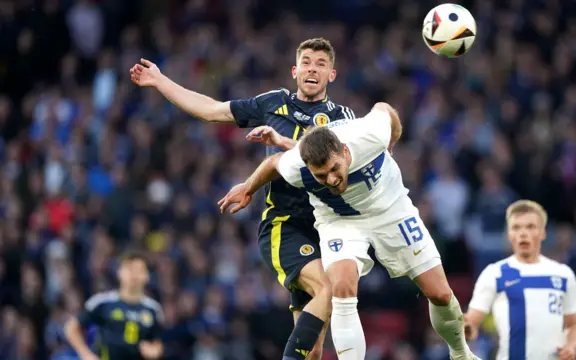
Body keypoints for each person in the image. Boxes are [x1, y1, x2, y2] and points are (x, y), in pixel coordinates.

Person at [130, 37, 357, 360]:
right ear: (295, 71)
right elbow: (211, 111)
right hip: (286, 227)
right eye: (306, 62)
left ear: (331, 75)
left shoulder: (343, 117)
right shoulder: (272, 103)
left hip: (326, 229)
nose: (312, 69)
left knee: (314, 352)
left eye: (321, 64)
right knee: (329, 288)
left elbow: (351, 165)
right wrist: (161, 81)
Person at [218, 103, 479, 360]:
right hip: (339, 221)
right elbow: (274, 163)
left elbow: (385, 109)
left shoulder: (369, 135)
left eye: (334, 169)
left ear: (344, 151)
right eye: (321, 175)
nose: (331, 179)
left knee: (440, 294)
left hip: (391, 211)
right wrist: (248, 187)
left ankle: (460, 353)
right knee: (341, 287)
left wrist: (391, 143)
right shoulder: (297, 166)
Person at [464, 200, 576, 360]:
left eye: (530, 227)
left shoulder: (563, 275)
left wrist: (570, 346)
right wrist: (464, 329)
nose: (523, 234)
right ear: (509, 234)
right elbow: (472, 321)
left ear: (543, 233)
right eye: (516, 227)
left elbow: (573, 324)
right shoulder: (494, 274)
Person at [64, 252, 164, 360]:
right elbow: (71, 328)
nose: (134, 275)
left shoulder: (153, 309)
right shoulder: (103, 303)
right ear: (120, 272)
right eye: (130, 269)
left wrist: (155, 351)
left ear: (147, 276)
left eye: (139, 270)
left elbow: (158, 342)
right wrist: (86, 354)